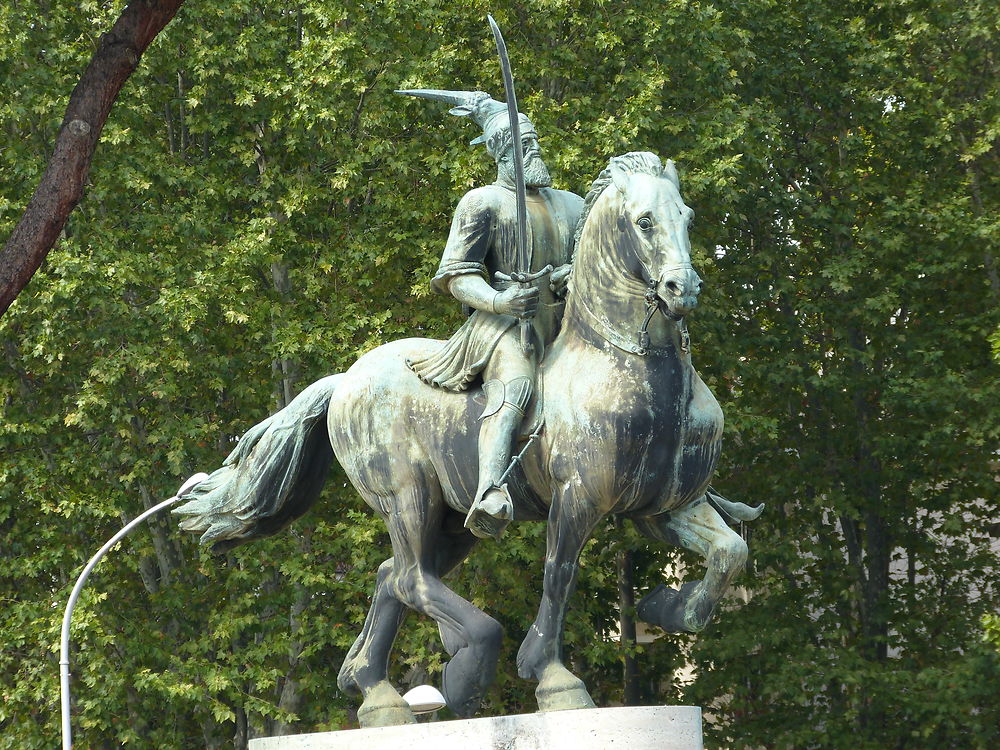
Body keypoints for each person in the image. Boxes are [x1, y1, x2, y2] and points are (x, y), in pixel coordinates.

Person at [398, 89, 584, 540]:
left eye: (535, 141)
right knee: (516, 386)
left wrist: (569, 274)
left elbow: (589, 265)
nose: (534, 150)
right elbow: (457, 276)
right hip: (507, 325)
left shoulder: (574, 204)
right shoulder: (481, 202)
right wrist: (501, 301)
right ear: (501, 153)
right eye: (522, 146)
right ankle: (490, 491)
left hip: (568, 322)